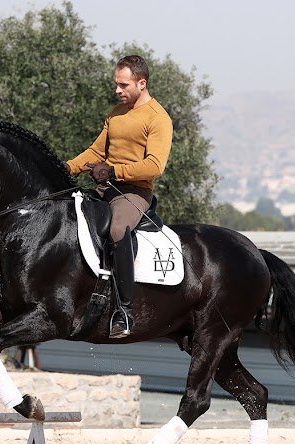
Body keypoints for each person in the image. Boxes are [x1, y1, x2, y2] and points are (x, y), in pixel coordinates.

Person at [65, 55, 173, 338]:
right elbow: (95, 151)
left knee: (117, 229)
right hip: (105, 189)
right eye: (116, 84)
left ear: (142, 82)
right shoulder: (115, 113)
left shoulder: (157, 118)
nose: (117, 90)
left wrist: (114, 171)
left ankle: (124, 312)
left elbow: (155, 165)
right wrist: (67, 167)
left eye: (123, 85)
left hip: (134, 193)